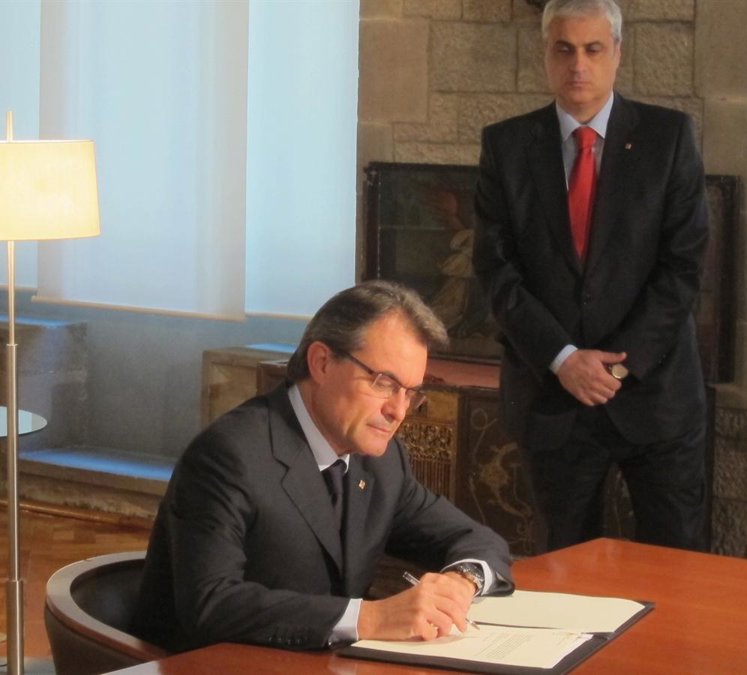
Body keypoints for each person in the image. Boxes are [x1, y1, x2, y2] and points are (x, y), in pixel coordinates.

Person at [132, 280, 514, 653]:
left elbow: (479, 540)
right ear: (322, 363)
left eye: (410, 393)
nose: (398, 411)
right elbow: (211, 603)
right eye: (384, 383)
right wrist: (371, 618)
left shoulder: (382, 462)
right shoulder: (229, 455)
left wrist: (461, 582)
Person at [473, 0, 709, 552]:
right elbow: (495, 269)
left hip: (656, 397)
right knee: (564, 572)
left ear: (617, 54)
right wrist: (563, 360)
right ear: (545, 54)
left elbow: (684, 265)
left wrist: (614, 368)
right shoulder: (506, 146)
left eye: (593, 49)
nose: (578, 64)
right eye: (564, 49)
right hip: (553, 400)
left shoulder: (669, 138)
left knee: (678, 571)